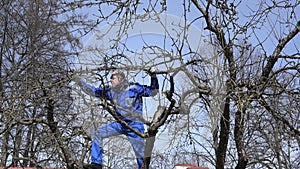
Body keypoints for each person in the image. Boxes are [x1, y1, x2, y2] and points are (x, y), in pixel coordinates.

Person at [75, 70, 159, 169]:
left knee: (141, 155)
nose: (110, 81)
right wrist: (79, 81)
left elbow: (153, 91)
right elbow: (94, 91)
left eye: (113, 78)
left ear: (121, 78)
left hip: (135, 126)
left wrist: (153, 77)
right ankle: (96, 164)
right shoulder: (110, 91)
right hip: (120, 124)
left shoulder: (134, 88)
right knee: (97, 133)